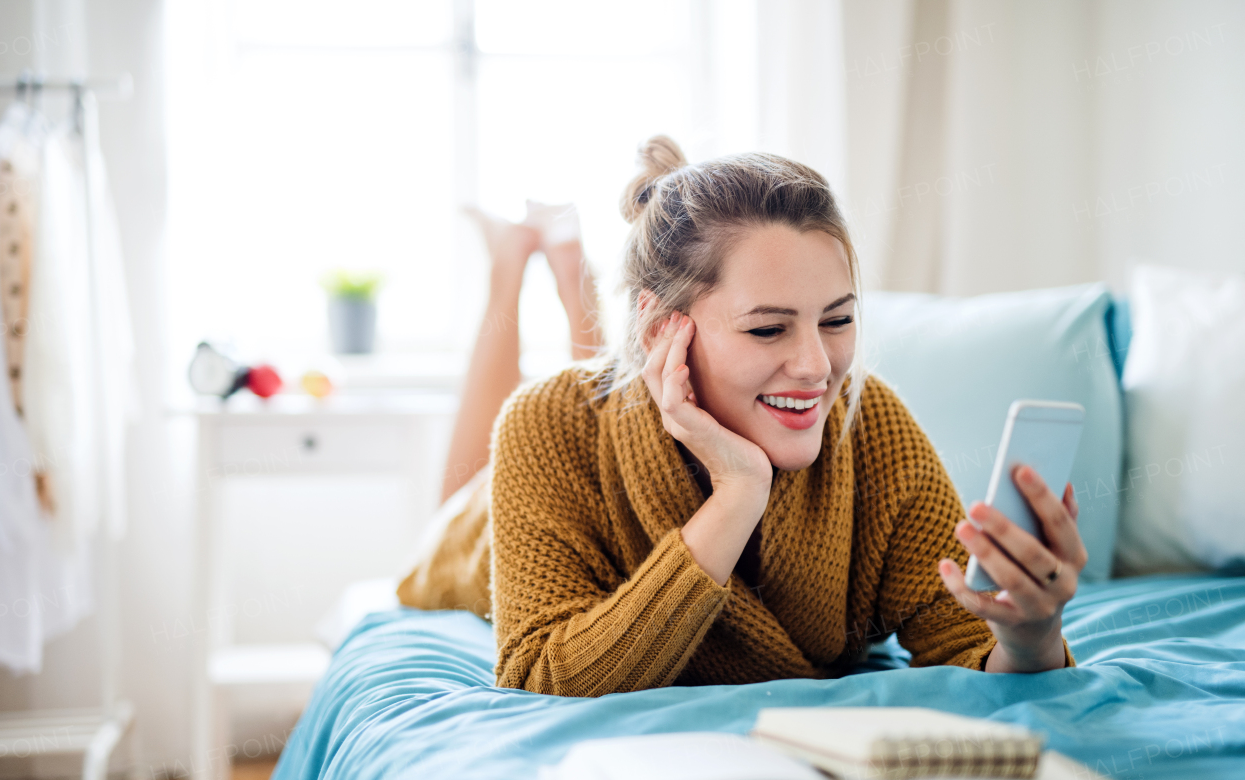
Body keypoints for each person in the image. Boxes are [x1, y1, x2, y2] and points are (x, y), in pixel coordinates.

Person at [398, 136, 1085, 697]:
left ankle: (572, 264)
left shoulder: (868, 424)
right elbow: (540, 673)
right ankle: (515, 263)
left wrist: (1032, 637)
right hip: (477, 537)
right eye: (767, 330)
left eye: (838, 318)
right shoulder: (549, 428)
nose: (817, 366)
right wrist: (737, 495)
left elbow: (964, 642)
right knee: (553, 412)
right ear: (665, 326)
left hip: (639, 369)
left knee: (606, 374)